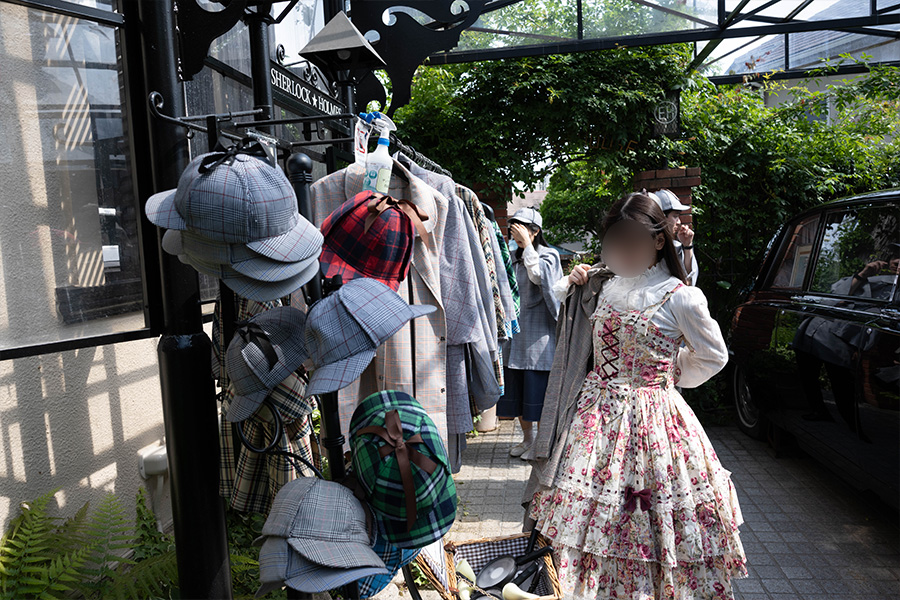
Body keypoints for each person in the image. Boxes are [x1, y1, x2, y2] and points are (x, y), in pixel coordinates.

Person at [527, 192, 747, 599]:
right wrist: (577, 283)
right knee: (587, 519)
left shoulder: (681, 296)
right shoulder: (606, 285)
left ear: (658, 241)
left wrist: (671, 371)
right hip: (594, 418)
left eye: (633, 239)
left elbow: (714, 355)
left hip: (654, 421)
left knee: (646, 517)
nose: (624, 248)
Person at [498, 207, 564, 459]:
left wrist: (527, 247)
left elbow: (540, 280)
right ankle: (527, 439)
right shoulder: (509, 254)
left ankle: (541, 443)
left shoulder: (549, 255)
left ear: (536, 231)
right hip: (513, 338)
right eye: (514, 225)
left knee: (537, 395)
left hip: (538, 339)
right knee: (516, 395)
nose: (516, 230)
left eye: (523, 227)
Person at [650, 189, 698, 285]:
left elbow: (689, 282)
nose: (679, 222)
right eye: (675, 216)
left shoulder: (677, 248)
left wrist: (687, 246)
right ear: (661, 217)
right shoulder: (642, 247)